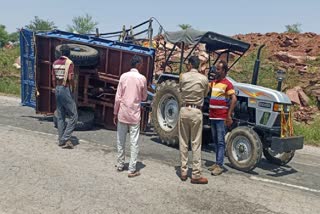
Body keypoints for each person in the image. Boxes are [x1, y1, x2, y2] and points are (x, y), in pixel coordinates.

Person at [113, 55, 147, 178]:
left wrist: (115, 112)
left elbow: (118, 97)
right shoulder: (142, 79)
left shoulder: (123, 76)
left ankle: (120, 164)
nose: (142, 66)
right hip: (134, 114)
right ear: (138, 65)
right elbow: (144, 97)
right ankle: (132, 169)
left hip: (122, 112)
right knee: (134, 142)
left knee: (120, 140)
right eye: (141, 64)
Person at [179, 56, 209, 184]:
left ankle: (183, 171)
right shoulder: (204, 79)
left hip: (184, 110)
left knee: (183, 141)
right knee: (196, 143)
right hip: (197, 111)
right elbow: (205, 94)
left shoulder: (183, 77)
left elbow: (181, 89)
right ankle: (196, 174)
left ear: (190, 65)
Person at [208, 60, 237, 176]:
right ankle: (217, 162)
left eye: (218, 69)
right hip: (213, 116)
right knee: (215, 140)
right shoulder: (214, 83)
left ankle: (220, 165)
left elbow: (234, 99)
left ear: (224, 71)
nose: (216, 71)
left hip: (221, 117)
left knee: (220, 141)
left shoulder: (227, 84)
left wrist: (228, 115)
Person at [52, 44, 78, 149]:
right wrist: (73, 87)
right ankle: (65, 138)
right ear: (69, 53)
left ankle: (60, 140)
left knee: (61, 115)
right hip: (65, 87)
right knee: (74, 115)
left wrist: (55, 88)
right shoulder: (69, 63)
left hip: (57, 88)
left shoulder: (55, 63)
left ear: (61, 53)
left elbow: (53, 78)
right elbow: (71, 77)